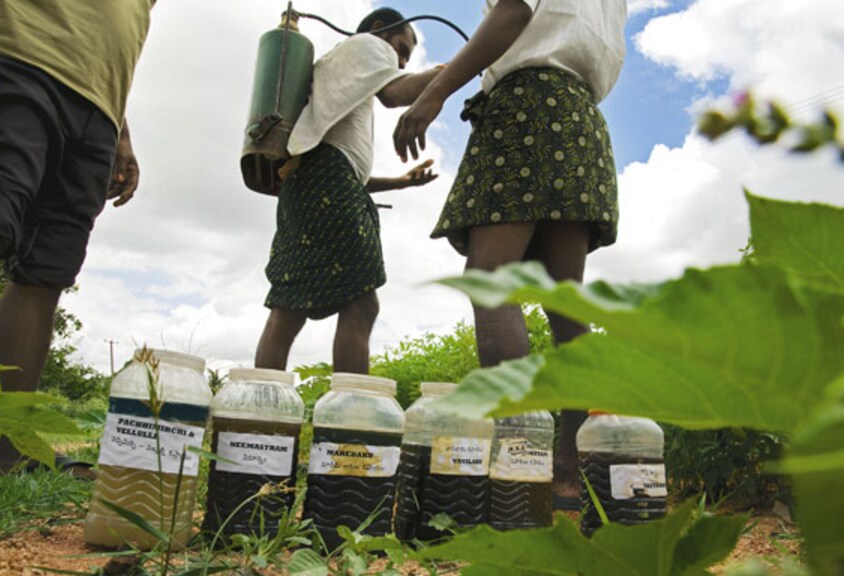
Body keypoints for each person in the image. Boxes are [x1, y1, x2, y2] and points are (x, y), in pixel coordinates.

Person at [393, 0, 627, 508]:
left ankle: (518, 458)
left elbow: (514, 14)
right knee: (566, 305)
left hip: (525, 110)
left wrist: (433, 95)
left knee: (490, 280)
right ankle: (566, 470)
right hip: (579, 120)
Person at [0, 0, 155, 477]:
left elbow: (115, 35)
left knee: (47, 271)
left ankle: (9, 449)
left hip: (97, 110)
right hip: (18, 58)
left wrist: (120, 131)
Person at [254, 8, 443, 374]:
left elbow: (343, 166)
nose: (402, 59)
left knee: (290, 306)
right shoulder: (367, 45)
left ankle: (263, 416)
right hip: (327, 178)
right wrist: (450, 72)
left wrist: (401, 182)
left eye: (406, 56)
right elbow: (395, 93)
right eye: (401, 48)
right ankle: (350, 418)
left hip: (309, 182)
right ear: (379, 29)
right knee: (361, 304)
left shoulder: (343, 75)